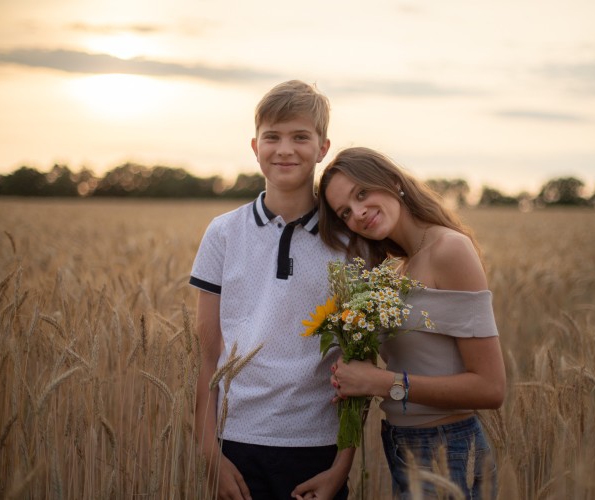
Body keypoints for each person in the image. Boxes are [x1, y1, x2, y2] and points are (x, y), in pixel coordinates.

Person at [190, 80, 353, 500]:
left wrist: (342, 466)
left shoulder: (349, 242)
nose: (285, 149)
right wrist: (211, 454)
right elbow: (208, 354)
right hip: (236, 439)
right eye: (273, 137)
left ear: (322, 147)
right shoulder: (224, 233)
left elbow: (358, 360)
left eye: (301, 137)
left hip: (317, 445)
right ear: (254, 145)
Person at [317, 147, 506, 499]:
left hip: (448, 451)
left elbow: (491, 388)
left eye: (362, 193)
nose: (358, 213)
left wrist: (383, 383)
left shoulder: (449, 249)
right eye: (345, 212)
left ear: (392, 182)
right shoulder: (397, 270)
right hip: (405, 447)